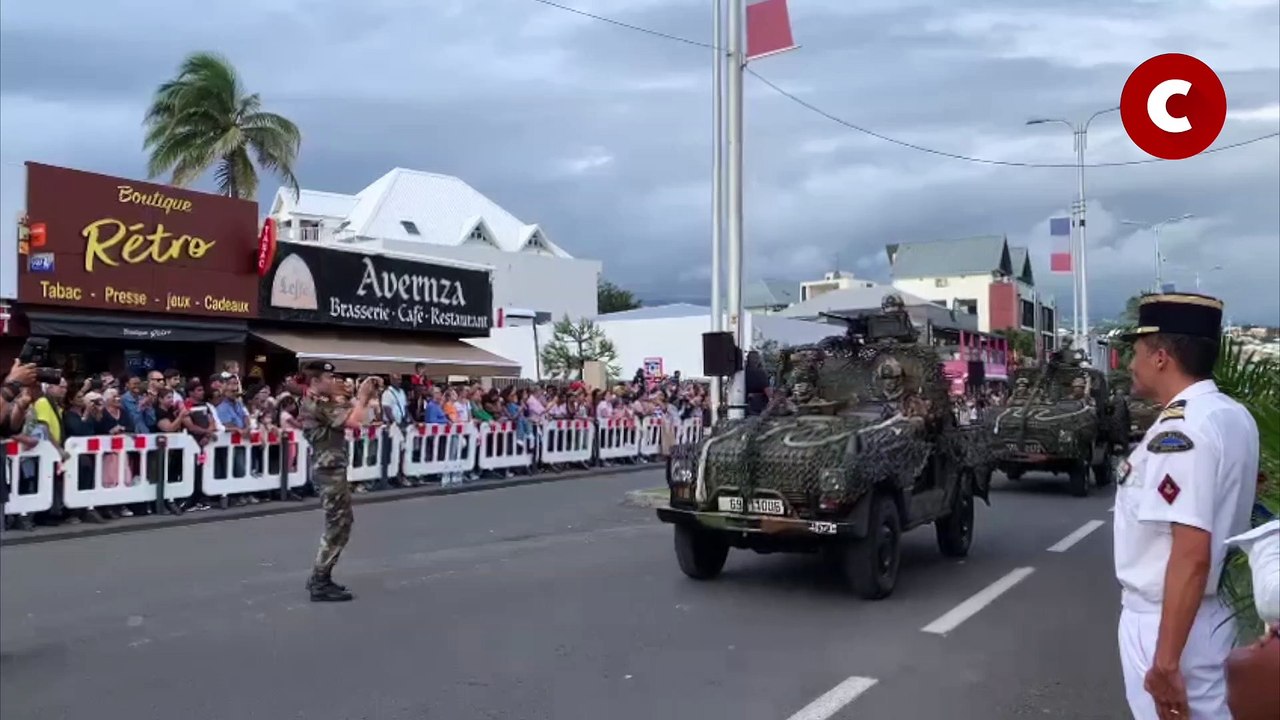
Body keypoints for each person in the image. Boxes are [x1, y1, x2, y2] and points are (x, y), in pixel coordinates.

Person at [1114, 292, 1258, 720]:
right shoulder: (1230, 415)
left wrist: (1166, 661)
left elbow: (1192, 552)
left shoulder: (1181, 432)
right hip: (1205, 613)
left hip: (1169, 618)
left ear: (1161, 357)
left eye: (1136, 352)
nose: (1128, 364)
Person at [299, 361, 377, 602]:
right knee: (338, 524)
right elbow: (354, 422)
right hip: (328, 470)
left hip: (333, 468)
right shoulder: (315, 403)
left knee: (342, 523)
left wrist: (363, 398)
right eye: (328, 378)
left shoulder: (325, 401)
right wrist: (362, 397)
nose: (334, 382)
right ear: (314, 381)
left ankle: (323, 576)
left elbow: (362, 418)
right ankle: (319, 580)